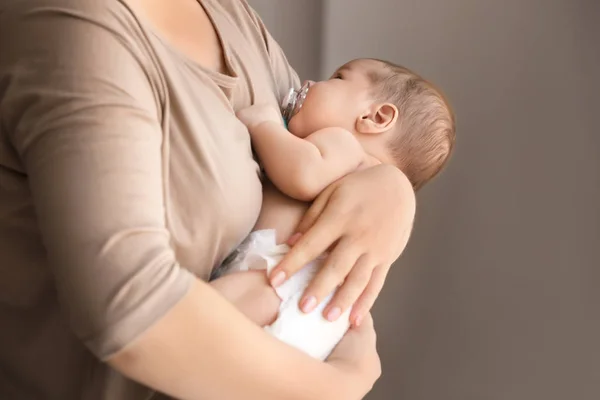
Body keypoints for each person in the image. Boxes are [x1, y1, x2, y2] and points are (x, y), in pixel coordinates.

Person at [0, 0, 416, 399]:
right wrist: (336, 388)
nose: (315, 83)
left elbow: (322, 139)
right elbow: (132, 313)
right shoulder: (77, 29)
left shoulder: (232, 18)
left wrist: (393, 189)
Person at [211, 58, 455, 360]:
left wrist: (263, 125)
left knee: (195, 319)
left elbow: (304, 175)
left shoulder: (347, 146)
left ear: (376, 117)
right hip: (316, 315)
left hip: (281, 283)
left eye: (338, 78)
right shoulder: (369, 183)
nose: (310, 84)